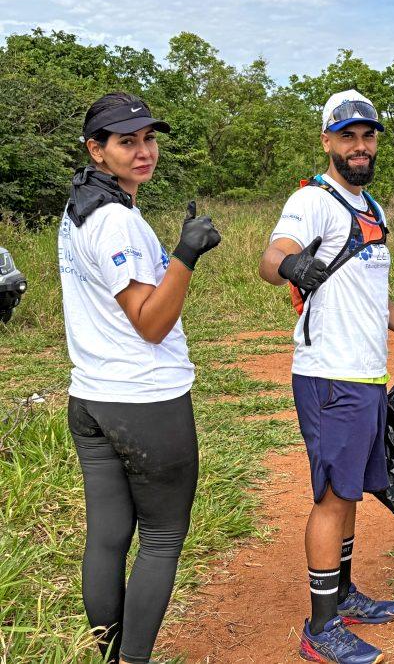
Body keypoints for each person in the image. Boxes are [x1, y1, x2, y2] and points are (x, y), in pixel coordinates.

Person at [258, 89, 394, 664]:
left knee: (352, 489)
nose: (359, 146)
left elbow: (370, 294)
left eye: (367, 136)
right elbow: (271, 258)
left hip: (365, 373)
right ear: (327, 142)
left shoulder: (373, 208)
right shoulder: (312, 201)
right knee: (333, 496)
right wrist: (292, 265)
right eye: (347, 137)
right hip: (329, 376)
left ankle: (342, 594)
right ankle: (321, 628)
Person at [59, 92, 221, 664]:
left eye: (149, 139)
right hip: (144, 397)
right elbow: (151, 323)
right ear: (96, 150)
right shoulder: (116, 222)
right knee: (161, 538)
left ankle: (107, 656)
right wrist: (186, 254)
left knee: (107, 537)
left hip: (91, 395)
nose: (144, 151)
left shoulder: (80, 207)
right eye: (127, 142)